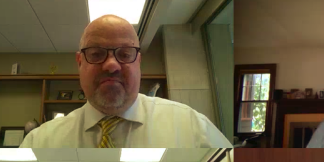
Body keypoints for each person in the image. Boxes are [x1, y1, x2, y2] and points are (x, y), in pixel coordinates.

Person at [20, 15, 230, 148]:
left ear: (138, 61)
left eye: (125, 53)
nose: (111, 65)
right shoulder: (39, 143)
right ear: (79, 62)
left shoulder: (193, 129)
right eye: (96, 53)